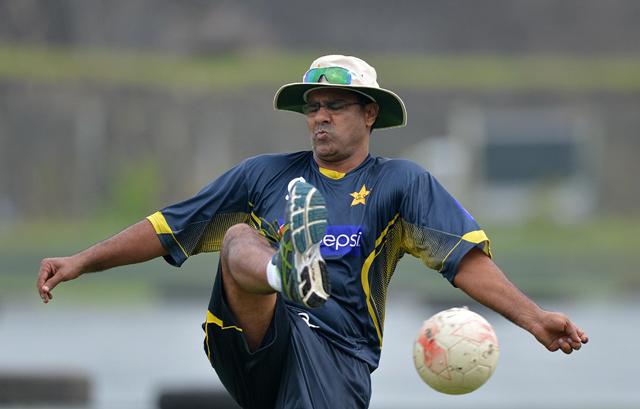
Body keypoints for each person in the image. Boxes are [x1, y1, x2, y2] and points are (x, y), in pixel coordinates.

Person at [37, 55, 588, 409]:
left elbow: (465, 262)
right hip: (254, 336)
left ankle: (289, 274)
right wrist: (81, 261)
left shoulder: (401, 183)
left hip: (337, 352)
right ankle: (286, 271)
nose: (319, 117)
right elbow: (169, 228)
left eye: (335, 107)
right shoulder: (263, 174)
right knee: (235, 242)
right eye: (313, 108)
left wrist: (535, 318)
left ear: (369, 114)